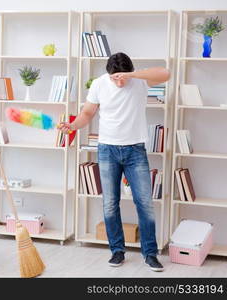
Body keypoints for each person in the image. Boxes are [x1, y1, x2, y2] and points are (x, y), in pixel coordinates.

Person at [58, 52, 170, 272]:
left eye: (122, 77)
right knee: (110, 203)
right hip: (107, 149)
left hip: (135, 150)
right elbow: (88, 113)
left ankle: (150, 254)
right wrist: (72, 126)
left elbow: (166, 73)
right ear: (107, 74)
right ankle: (117, 251)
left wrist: (131, 75)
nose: (119, 82)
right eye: (115, 78)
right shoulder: (99, 84)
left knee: (145, 203)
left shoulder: (139, 81)